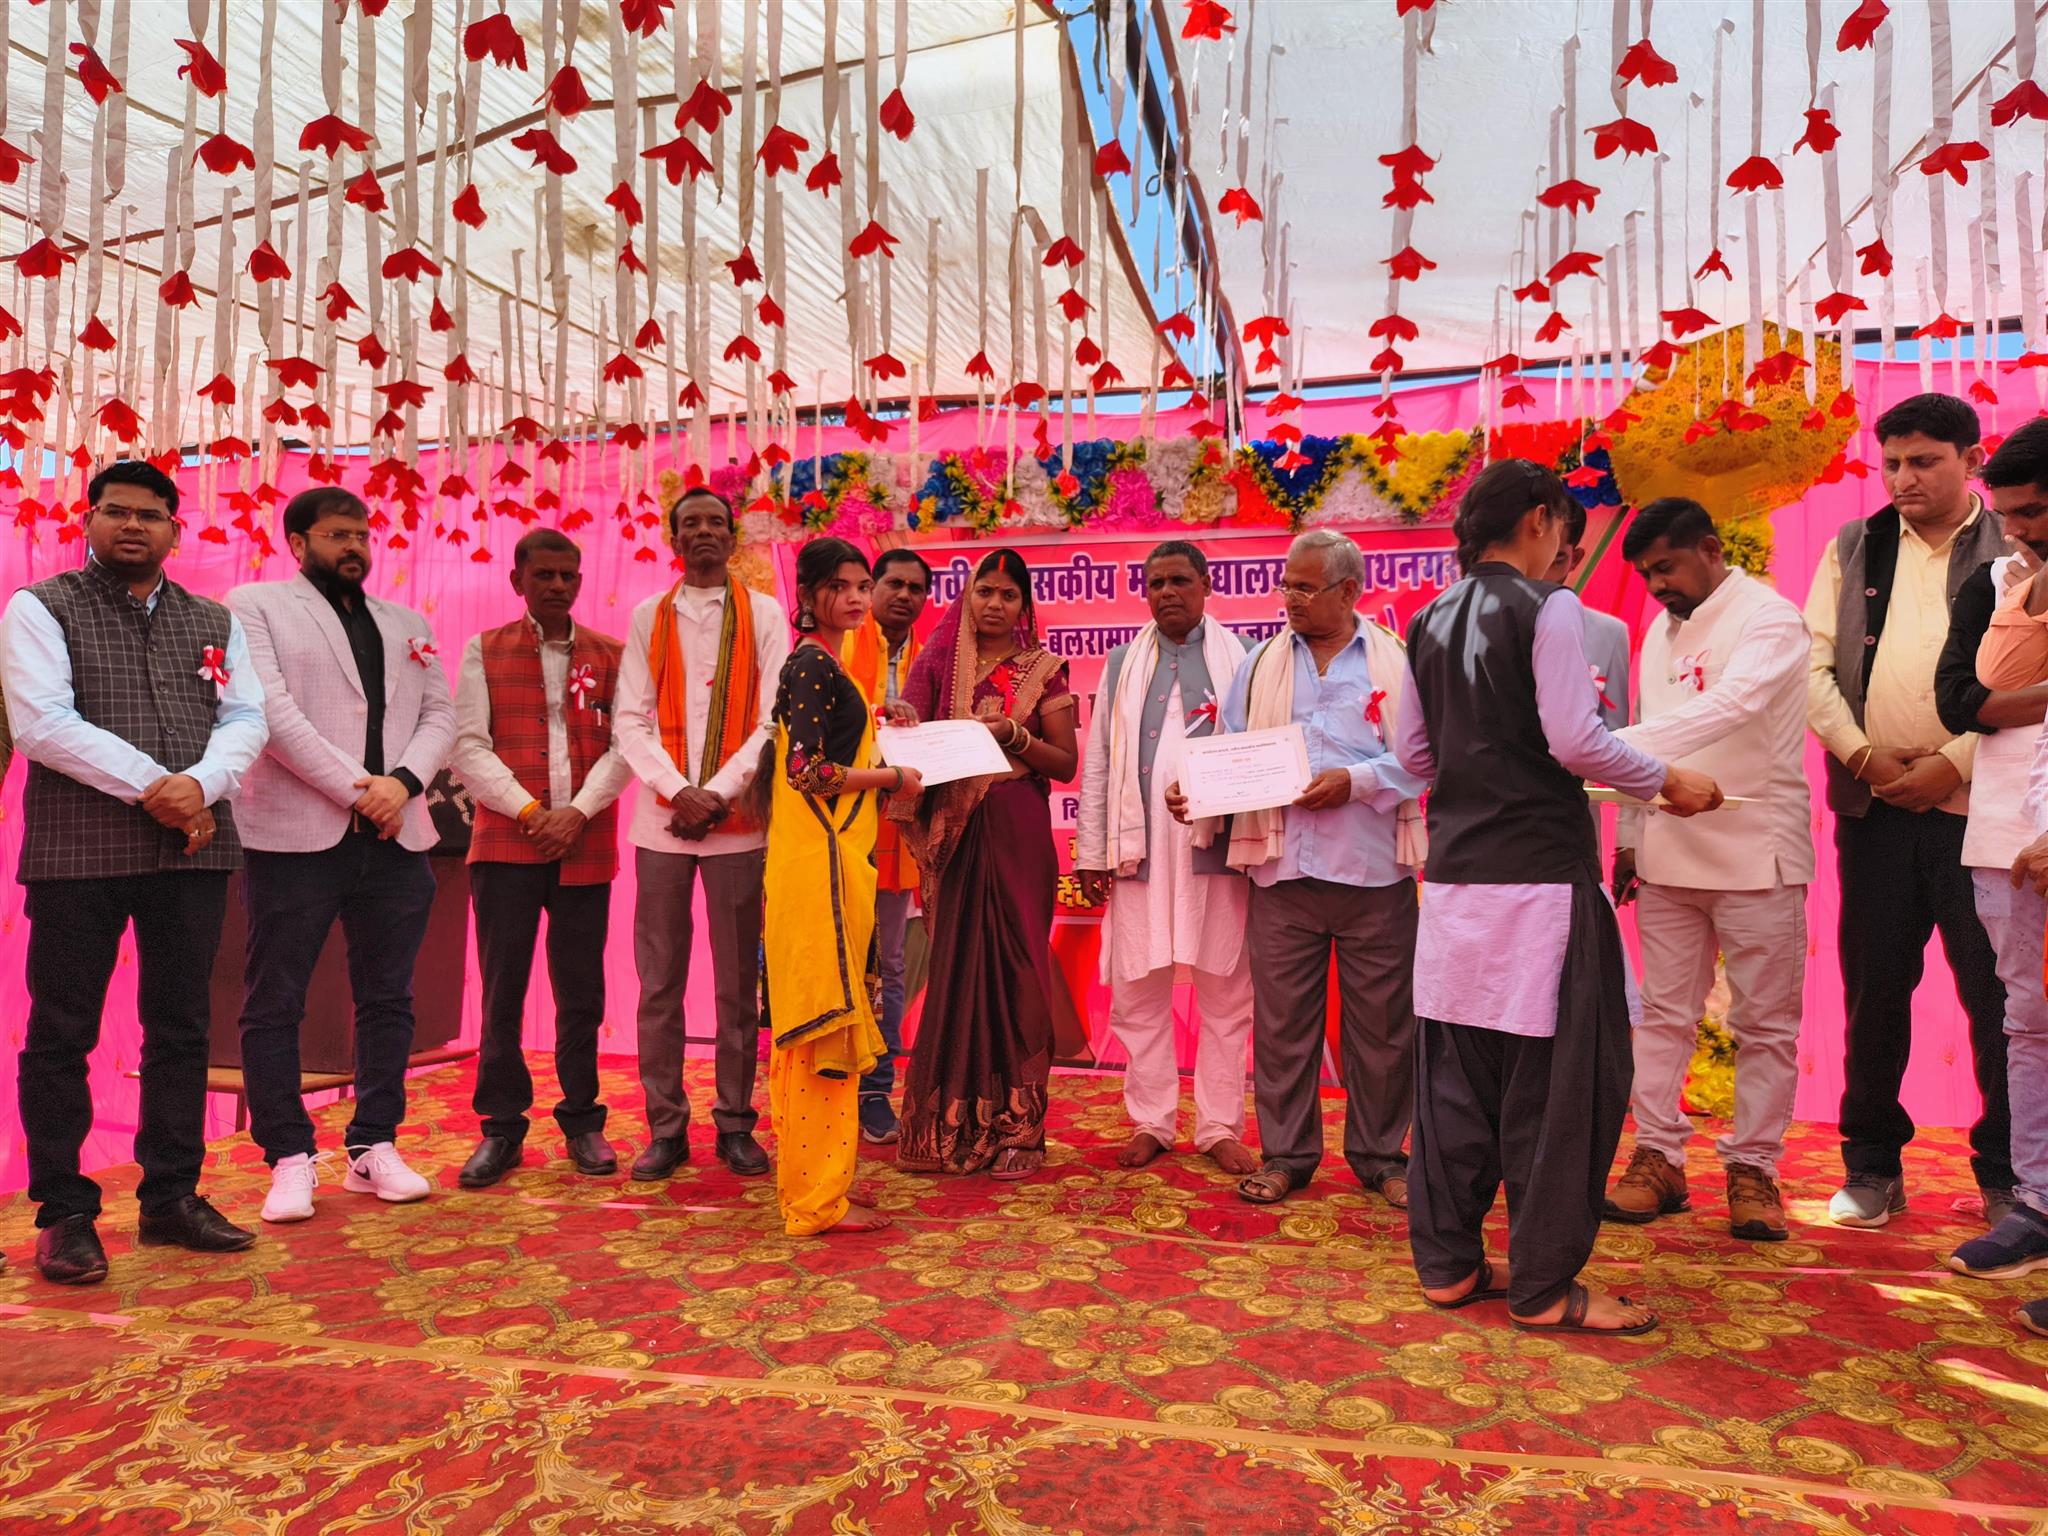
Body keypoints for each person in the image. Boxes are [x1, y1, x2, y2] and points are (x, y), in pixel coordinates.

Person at [1399, 459, 1721, 1336]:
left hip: (1456, 887)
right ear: (1540, 520)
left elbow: (1416, 758)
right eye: (1562, 534)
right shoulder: (1550, 607)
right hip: (1539, 879)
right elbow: (1577, 741)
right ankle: (1543, 1287)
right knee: (1561, 1086)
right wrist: (1667, 782)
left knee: (1456, 1084)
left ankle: (1450, 1267)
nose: (1563, 552)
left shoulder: (1426, 617)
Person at [1, 460, 268, 1283]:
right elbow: (43, 724)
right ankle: (65, 1214)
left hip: (193, 851)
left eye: (150, 515)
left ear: (174, 532)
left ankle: (171, 1198)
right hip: (79, 853)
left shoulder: (214, 618)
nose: (132, 526)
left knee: (182, 1028)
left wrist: (201, 786)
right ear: (87, 520)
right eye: (115, 511)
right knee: (63, 1033)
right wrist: (163, 789)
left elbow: (246, 717)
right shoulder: (40, 606)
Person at [1805, 392, 2013, 1229]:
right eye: (1890, 462)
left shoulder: (2016, 548)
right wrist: (1862, 755)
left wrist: (1951, 765)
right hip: (1877, 807)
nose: (1902, 479)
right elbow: (1812, 668)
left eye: (1924, 461)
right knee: (1875, 991)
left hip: (1985, 807)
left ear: (1973, 460)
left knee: (1998, 999)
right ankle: (1871, 1167)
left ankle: (2010, 1176)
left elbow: (2034, 685)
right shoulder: (1854, 545)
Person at [1172, 529, 1427, 1209]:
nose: (1291, 598)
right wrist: (1196, 792)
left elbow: (1425, 758)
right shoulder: (1261, 665)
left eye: (1306, 588)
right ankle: (1288, 1155)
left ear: (1349, 591)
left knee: (1384, 1031)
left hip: (1375, 874)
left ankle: (1381, 1157)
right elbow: (1229, 749)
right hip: (1282, 873)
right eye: (1287, 585)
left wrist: (1358, 781)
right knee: (1284, 1029)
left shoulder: (1398, 661)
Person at [226, 488, 456, 1223]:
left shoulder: (407, 621)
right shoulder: (256, 606)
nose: (353, 546)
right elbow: (272, 713)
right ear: (298, 542)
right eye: (336, 535)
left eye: (361, 534)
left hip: (397, 836)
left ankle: (373, 1144)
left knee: (389, 998)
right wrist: (362, 790)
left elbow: (440, 715)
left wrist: (403, 785)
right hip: (297, 836)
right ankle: (288, 1156)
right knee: (276, 999)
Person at [1601, 497, 1813, 1242]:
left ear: (1713, 548)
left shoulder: (1770, 619)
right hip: (1668, 854)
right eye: (1645, 574)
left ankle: (1754, 1168)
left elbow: (1734, 704)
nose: (1657, 585)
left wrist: (1603, 746)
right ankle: (1657, 1157)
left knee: (1765, 1026)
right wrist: (1631, 835)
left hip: (1758, 853)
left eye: (1666, 566)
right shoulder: (1659, 632)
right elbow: (1651, 747)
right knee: (1662, 1015)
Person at [449, 529, 633, 1188]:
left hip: (585, 841)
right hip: (506, 843)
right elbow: (467, 745)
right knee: (502, 989)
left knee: (581, 989)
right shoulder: (483, 650)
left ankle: (583, 1120)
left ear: (580, 581)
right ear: (517, 581)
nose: (557, 585)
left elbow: (627, 744)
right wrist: (531, 813)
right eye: (544, 575)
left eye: (568, 575)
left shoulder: (613, 654)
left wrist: (576, 813)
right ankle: (501, 1128)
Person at [613, 487, 787, 1180]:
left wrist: (715, 795)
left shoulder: (765, 613)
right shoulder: (647, 616)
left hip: (738, 828)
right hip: (662, 826)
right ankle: (666, 1128)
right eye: (692, 523)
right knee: (659, 983)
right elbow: (630, 720)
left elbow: (774, 718)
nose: (705, 531)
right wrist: (678, 792)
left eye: (717, 522)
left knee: (737, 985)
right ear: (674, 539)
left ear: (733, 537)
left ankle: (736, 1124)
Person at [892, 548, 1078, 1178]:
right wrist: (904, 723)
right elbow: (909, 742)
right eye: (985, 591)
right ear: (968, 597)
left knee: (1018, 971)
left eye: (1008, 594)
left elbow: (1065, 763)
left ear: (1024, 606)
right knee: (956, 972)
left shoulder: (1042, 671)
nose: (995, 604)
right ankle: (948, 1131)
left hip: (1016, 829)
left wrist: (1014, 736)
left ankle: (1021, 1131)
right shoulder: (939, 665)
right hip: (957, 833)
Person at [1075, 541, 1257, 1175]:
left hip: (1219, 854)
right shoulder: (1122, 662)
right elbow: (1100, 760)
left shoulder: (1245, 659)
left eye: (1180, 580)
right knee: (1137, 994)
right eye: (1155, 584)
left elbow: (1259, 752)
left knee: (1226, 993)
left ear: (1207, 585)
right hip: (1140, 853)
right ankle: (1152, 1120)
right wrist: (1092, 851)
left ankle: (1219, 1126)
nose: (1167, 593)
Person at [754, 538, 920, 1233]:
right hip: (817, 868)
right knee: (821, 1034)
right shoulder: (812, 664)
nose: (856, 598)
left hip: (830, 862)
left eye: (860, 586)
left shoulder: (828, 664)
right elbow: (807, 772)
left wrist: (884, 729)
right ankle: (815, 1201)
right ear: (807, 594)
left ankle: (822, 1186)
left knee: (821, 1033)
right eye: (840, 586)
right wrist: (892, 777)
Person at [1956, 417, 2048, 1308]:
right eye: (2008, 513)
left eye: (2032, 513)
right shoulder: (1997, 581)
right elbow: (1966, 696)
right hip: (2003, 834)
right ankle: (2038, 1205)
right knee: (2028, 1024)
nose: (2015, 530)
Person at [838, 546, 932, 1145]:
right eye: (893, 583)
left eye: (915, 588)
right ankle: (827, 1083)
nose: (903, 595)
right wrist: (879, 715)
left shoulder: (933, 659)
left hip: (898, 827)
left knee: (890, 962)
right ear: (870, 589)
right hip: (838, 818)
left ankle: (875, 1090)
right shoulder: (841, 645)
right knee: (840, 957)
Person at [1549, 497, 1632, 730]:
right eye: (1532, 559)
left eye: (1556, 560)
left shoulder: (1609, 633)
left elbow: (1616, 732)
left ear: (1575, 559)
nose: (1541, 572)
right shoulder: (1484, 625)